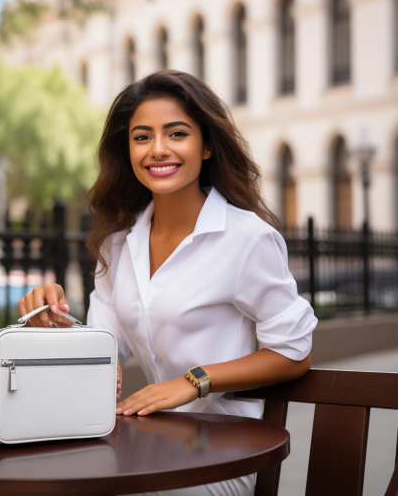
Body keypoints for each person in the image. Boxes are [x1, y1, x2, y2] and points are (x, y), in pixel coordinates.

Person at [18, 70, 317, 496]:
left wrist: (192, 380)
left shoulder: (247, 238)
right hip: (146, 442)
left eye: (177, 133)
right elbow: (102, 350)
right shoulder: (118, 243)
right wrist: (48, 319)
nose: (158, 149)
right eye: (142, 137)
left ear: (207, 145)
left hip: (224, 454)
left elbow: (293, 353)